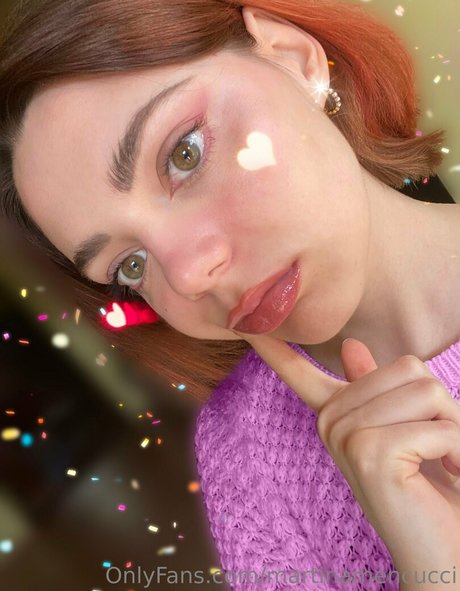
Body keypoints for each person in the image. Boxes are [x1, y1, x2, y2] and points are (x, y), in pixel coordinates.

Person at [1, 0, 459, 588]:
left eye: (184, 154)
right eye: (131, 265)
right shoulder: (244, 459)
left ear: (293, 59)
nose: (189, 277)